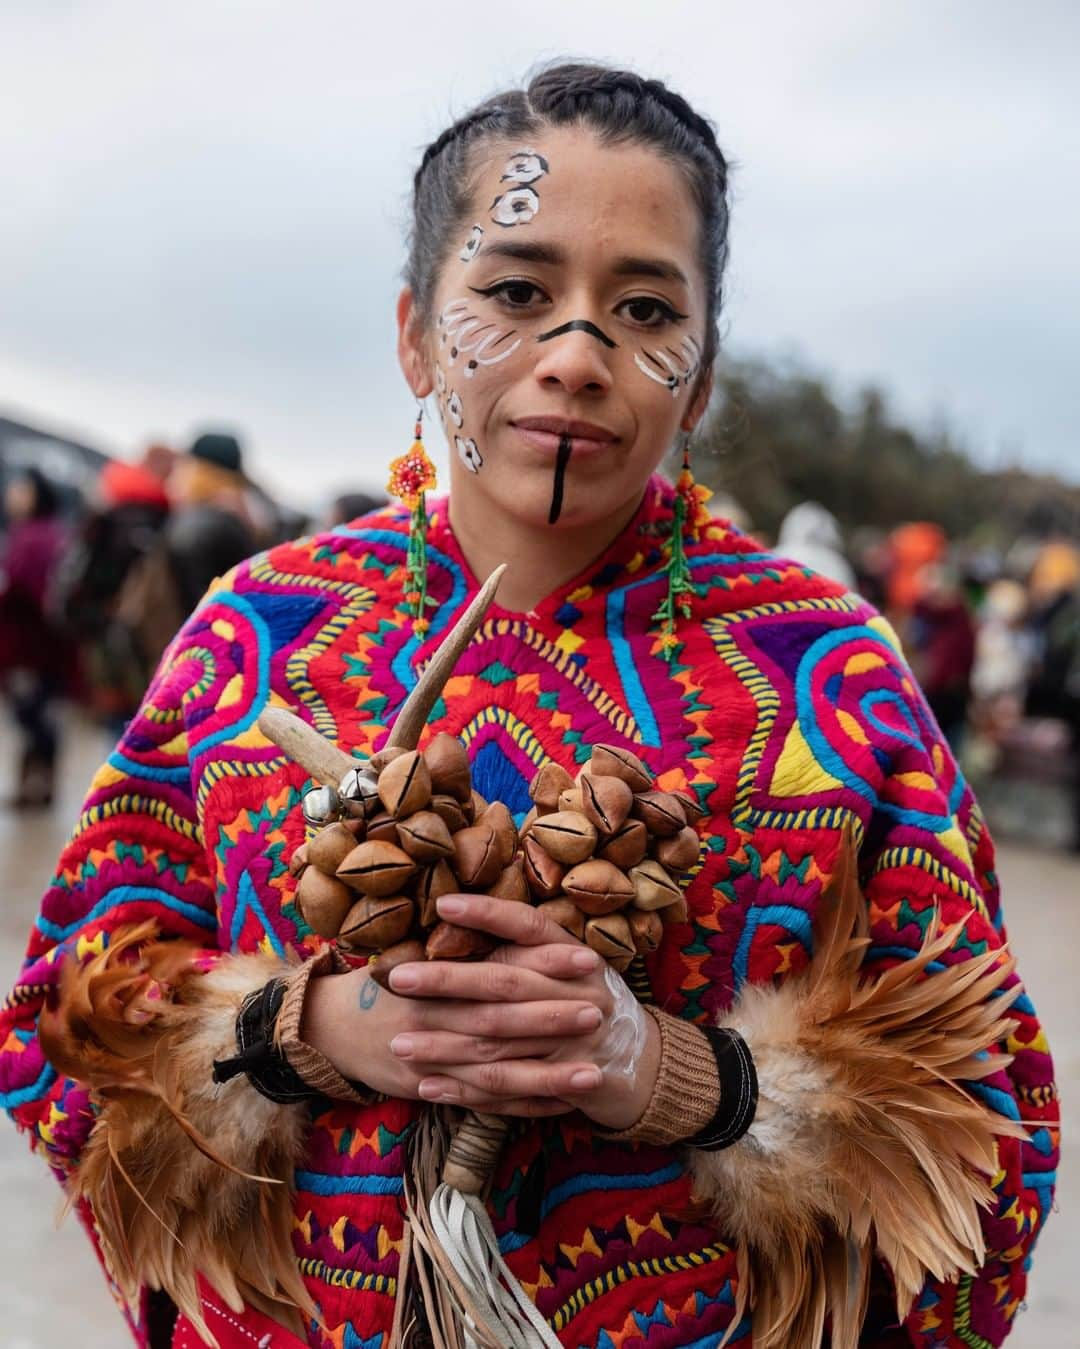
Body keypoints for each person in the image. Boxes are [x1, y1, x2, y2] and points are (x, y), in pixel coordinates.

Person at [0, 63, 1056, 1349]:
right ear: (411, 332)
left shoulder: (827, 668)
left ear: (702, 373)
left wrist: (674, 1074)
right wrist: (305, 1028)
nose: (574, 357)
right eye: (514, 292)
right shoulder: (255, 638)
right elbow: (64, 1019)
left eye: (645, 307)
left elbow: (990, 1110)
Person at [0, 466, 72, 806]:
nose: (12, 495)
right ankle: (33, 784)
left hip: (30, 647)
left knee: (33, 714)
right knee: (35, 713)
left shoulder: (36, 538)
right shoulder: (40, 533)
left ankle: (39, 786)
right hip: (41, 647)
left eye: (21, 489)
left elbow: (37, 592)